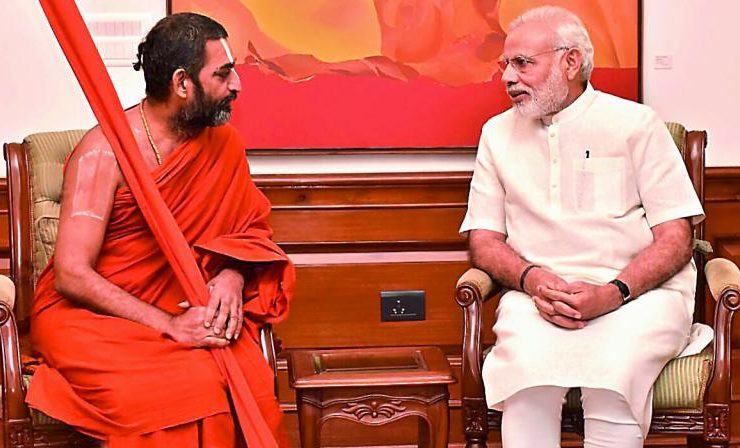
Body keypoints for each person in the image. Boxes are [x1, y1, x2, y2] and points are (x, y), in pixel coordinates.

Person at [26, 12, 293, 447]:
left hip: (187, 304)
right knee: (188, 390)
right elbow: (72, 273)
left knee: (242, 380)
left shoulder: (222, 145)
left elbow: (249, 232)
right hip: (95, 319)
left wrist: (232, 274)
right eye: (223, 74)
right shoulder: (104, 152)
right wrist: (169, 324)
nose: (237, 85)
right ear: (182, 83)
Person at [460, 6, 707, 448]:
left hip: (637, 295)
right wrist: (532, 280)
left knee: (615, 370)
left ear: (570, 62)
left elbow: (676, 237)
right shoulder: (496, 134)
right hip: (540, 296)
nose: (508, 78)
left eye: (523, 63)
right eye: (506, 65)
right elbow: (483, 239)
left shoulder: (636, 124)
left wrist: (613, 292)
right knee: (526, 374)